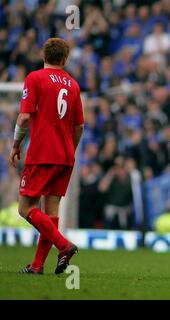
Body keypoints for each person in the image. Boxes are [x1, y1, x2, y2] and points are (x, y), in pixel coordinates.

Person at [8, 38, 84, 275]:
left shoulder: (35, 78)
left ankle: (63, 245)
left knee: (25, 208)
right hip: (66, 155)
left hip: (42, 153)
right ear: (64, 59)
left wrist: (15, 144)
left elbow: (24, 117)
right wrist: (70, 148)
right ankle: (38, 265)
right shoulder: (73, 85)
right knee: (51, 211)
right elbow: (79, 126)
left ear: (44, 56)